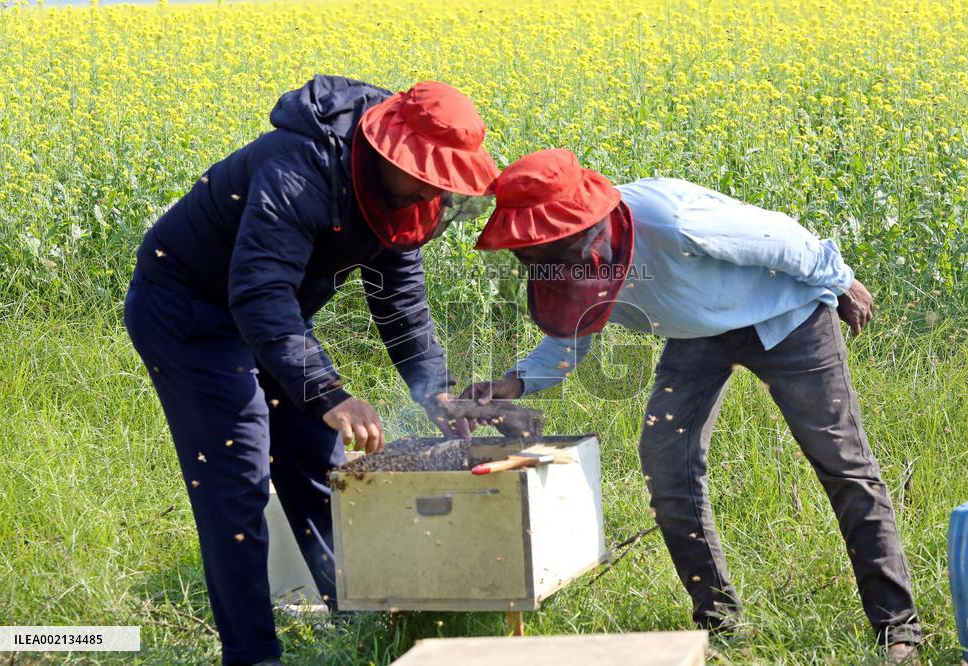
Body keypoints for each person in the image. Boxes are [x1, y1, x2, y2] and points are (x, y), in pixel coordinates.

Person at [463, 149, 920, 663]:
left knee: (841, 464)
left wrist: (839, 280)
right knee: (666, 464)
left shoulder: (673, 221)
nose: (543, 261)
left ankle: (896, 629)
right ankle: (721, 624)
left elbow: (782, 238)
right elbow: (571, 334)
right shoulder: (559, 257)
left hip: (788, 318)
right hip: (697, 335)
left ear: (585, 224)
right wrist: (510, 384)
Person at [123, 75, 498, 666]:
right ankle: (253, 655)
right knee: (238, 477)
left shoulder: (404, 198)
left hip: (274, 313)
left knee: (319, 463)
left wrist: (437, 391)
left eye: (445, 178)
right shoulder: (297, 167)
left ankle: (363, 628)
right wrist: (327, 390)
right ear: (388, 151)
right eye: (427, 171)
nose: (435, 189)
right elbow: (260, 291)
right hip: (191, 311)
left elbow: (399, 299)